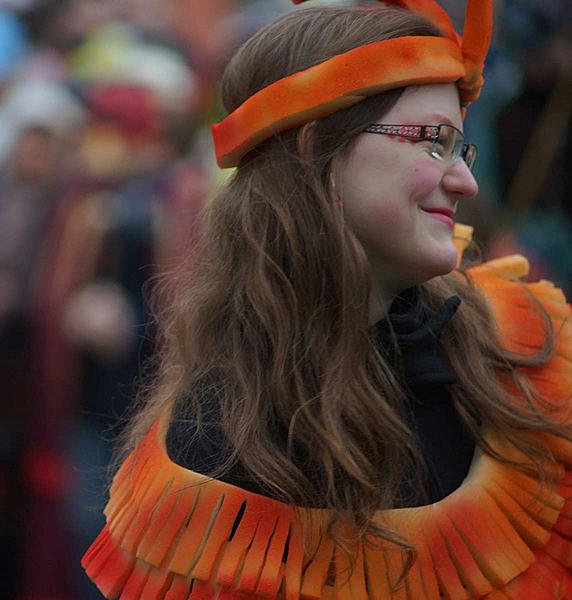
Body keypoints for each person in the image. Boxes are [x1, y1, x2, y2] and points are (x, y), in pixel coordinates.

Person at [81, 0, 572, 598]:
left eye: (460, 147)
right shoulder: (216, 446)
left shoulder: (527, 356)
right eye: (434, 141)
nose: (465, 181)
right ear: (317, 149)